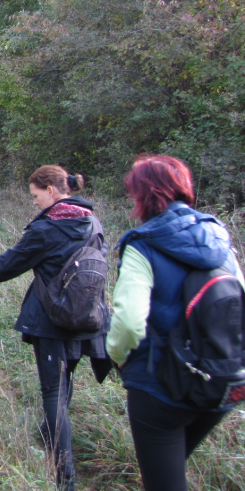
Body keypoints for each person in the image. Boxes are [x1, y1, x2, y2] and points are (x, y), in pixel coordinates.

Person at [107, 155, 244, 491]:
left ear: (143, 195)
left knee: (163, 482)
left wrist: (120, 359)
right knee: (169, 471)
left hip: (160, 388)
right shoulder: (219, 238)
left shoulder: (142, 244)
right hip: (222, 382)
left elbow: (128, 323)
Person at [0, 166, 111, 491]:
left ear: (50, 189)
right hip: (87, 316)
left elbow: (13, 261)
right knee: (66, 381)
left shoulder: (48, 227)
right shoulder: (92, 220)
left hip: (52, 319)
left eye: (35, 196)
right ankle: (52, 436)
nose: (34, 202)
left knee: (53, 391)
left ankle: (65, 476)